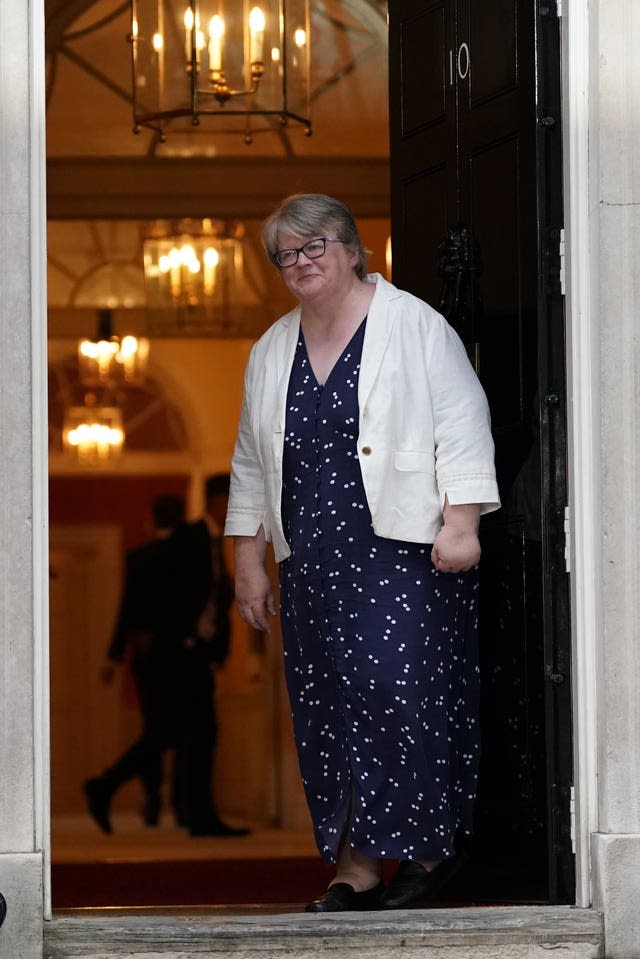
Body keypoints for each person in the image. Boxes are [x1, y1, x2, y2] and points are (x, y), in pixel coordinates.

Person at [224, 194, 500, 911]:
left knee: (395, 692)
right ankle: (358, 863)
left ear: (351, 249)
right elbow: (253, 461)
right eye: (287, 254)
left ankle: (430, 850)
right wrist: (248, 558)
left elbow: (463, 421)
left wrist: (463, 520)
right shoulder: (270, 349)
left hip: (402, 548)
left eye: (315, 247)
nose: (301, 263)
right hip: (310, 556)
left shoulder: (413, 324)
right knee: (327, 707)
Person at [84, 493, 212, 833]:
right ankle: (110, 786)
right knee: (163, 732)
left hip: (146, 658)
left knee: (157, 731)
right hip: (166, 658)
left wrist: (114, 657)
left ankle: (121, 790)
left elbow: (127, 610)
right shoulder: (185, 550)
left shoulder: (141, 555)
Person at [172, 474, 250, 837]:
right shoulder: (189, 538)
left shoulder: (215, 541)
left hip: (200, 655)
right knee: (198, 734)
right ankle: (198, 815)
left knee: (202, 734)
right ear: (219, 501)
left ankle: (197, 813)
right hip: (183, 655)